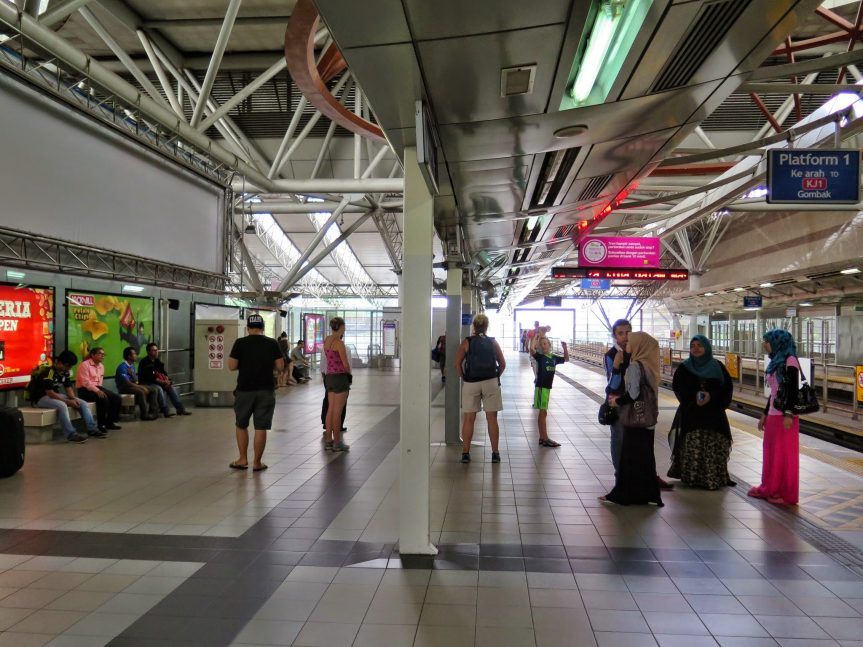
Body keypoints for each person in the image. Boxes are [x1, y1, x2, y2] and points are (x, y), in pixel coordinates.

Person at [600, 332, 663, 507]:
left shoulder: (635, 365)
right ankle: (648, 494)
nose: (626, 343)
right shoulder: (650, 364)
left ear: (638, 345)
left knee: (629, 458)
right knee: (645, 458)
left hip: (635, 419)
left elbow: (633, 394)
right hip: (648, 418)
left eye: (630, 341)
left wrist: (616, 401)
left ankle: (624, 493)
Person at [667, 335, 735, 490]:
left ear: (707, 347)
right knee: (693, 444)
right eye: (693, 345)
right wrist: (692, 398)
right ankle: (692, 478)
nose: (696, 348)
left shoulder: (718, 366)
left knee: (713, 445)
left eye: (699, 345)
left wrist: (712, 396)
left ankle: (712, 478)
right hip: (692, 414)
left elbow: (726, 388)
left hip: (714, 415)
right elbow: (678, 387)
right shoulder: (684, 367)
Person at [748, 329, 801, 505]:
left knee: (784, 455)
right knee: (771, 453)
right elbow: (774, 393)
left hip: (785, 417)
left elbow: (792, 390)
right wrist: (764, 413)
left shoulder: (790, 361)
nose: (764, 344)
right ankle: (771, 486)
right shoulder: (776, 361)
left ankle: (784, 493)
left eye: (767, 341)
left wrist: (788, 414)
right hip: (773, 415)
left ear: (778, 342)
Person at [228, 314, 284, 471]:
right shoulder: (272, 343)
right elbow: (280, 366)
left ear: (248, 328)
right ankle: (257, 463)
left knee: (241, 425)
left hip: (244, 390)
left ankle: (242, 459)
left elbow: (231, 366)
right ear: (263, 328)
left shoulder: (240, 343)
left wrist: (245, 364)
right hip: (266, 390)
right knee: (261, 427)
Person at [455, 314, 506, 464]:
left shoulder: (467, 342)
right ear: (486, 326)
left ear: (474, 327)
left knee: (469, 418)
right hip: (491, 381)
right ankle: (495, 453)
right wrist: (495, 376)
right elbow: (502, 364)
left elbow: (457, 364)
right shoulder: (493, 342)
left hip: (471, 383)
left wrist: (464, 378)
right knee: (492, 418)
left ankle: (465, 453)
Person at [32, 350, 102, 442]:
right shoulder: (48, 371)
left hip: (54, 395)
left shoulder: (65, 372)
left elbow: (68, 388)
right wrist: (68, 402)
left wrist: (73, 398)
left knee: (83, 403)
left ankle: (92, 429)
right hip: (41, 398)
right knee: (62, 405)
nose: (69, 369)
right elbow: (49, 392)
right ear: (60, 363)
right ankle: (71, 434)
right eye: (68, 366)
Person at [530, 335, 568, 448]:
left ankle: (542, 437)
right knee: (543, 412)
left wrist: (565, 347)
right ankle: (545, 438)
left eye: (545, 343)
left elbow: (566, 359)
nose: (543, 346)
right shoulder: (540, 357)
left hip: (547, 388)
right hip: (541, 387)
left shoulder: (553, 358)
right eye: (541, 344)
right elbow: (531, 350)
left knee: (544, 412)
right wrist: (535, 340)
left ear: (549, 345)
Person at [604, 319, 631, 476]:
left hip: (634, 401)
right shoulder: (611, 355)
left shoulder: (635, 351)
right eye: (621, 333)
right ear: (614, 335)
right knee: (619, 437)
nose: (625, 336)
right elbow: (613, 385)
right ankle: (619, 473)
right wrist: (616, 367)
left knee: (634, 438)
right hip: (617, 402)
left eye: (628, 332)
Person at [76, 347, 122, 434]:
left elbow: (100, 381)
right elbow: (86, 382)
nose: (103, 356)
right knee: (103, 399)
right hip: (85, 390)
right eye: (100, 354)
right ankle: (101, 425)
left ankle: (110, 422)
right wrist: (97, 391)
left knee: (116, 398)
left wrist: (99, 390)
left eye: (104, 354)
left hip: (97, 388)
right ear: (93, 355)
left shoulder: (101, 366)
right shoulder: (84, 365)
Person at [138, 343, 191, 417]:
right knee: (159, 388)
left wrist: (167, 380)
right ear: (148, 352)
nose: (156, 352)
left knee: (171, 388)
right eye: (154, 350)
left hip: (158, 382)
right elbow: (151, 377)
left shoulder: (157, 361)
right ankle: (165, 410)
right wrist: (164, 383)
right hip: (147, 383)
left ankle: (180, 409)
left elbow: (163, 373)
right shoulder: (144, 362)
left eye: (157, 350)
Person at [323, 317, 351, 452]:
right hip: (340, 378)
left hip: (329, 377)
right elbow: (345, 364)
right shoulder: (339, 343)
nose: (344, 329)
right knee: (337, 412)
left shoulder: (327, 340)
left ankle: (328, 440)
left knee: (330, 410)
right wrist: (349, 374)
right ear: (340, 327)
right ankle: (337, 442)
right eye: (344, 327)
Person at [115, 347, 159, 421]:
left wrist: (132, 375)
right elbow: (127, 382)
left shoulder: (132, 366)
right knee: (141, 392)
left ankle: (153, 412)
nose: (136, 355)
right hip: (124, 388)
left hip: (133, 386)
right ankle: (144, 415)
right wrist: (140, 387)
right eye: (134, 354)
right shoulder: (122, 367)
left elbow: (135, 380)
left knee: (154, 389)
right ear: (129, 356)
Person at [320, 345, 347, 437]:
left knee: (329, 404)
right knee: (339, 408)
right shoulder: (343, 347)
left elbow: (322, 364)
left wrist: (324, 376)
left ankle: (327, 428)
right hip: (340, 377)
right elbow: (347, 365)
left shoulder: (326, 347)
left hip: (328, 377)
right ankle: (337, 436)